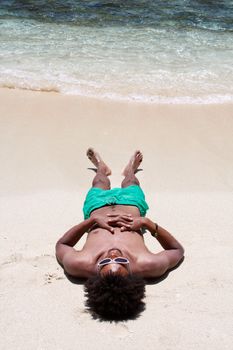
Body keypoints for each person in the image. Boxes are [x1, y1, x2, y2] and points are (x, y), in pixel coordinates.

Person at [56, 148, 184, 321]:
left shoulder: (80, 263)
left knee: (99, 181)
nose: (113, 255)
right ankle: (130, 169)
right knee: (131, 181)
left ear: (96, 274)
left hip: (96, 207)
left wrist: (92, 221)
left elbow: (62, 245)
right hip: (131, 203)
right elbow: (177, 250)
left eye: (105, 262)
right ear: (131, 273)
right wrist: (148, 224)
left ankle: (101, 167)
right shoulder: (148, 264)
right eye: (122, 261)